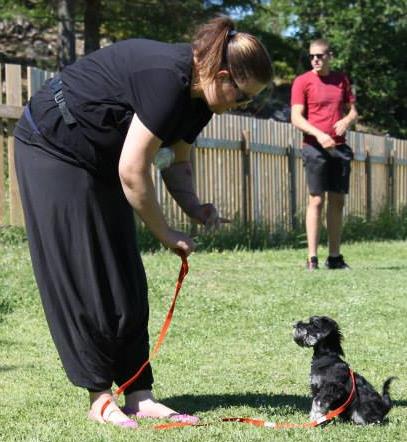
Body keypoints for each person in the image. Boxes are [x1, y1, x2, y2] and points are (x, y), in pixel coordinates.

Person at [13, 16, 272, 429]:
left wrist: (194, 208)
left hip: (100, 158)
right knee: (85, 274)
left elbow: (177, 162)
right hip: (52, 145)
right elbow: (134, 172)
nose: (239, 106)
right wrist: (166, 233)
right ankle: (99, 396)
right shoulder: (166, 79)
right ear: (222, 75)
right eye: (242, 97)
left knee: (126, 277)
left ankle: (139, 394)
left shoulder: (201, 99)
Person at [291, 38, 358, 271]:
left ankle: (335, 257)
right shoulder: (302, 82)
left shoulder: (341, 80)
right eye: (312, 56)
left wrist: (347, 120)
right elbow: (296, 117)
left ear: (330, 55)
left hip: (339, 147)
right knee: (316, 200)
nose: (316, 60)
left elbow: (353, 111)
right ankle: (312, 257)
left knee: (337, 200)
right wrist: (320, 135)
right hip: (314, 147)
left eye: (320, 55)